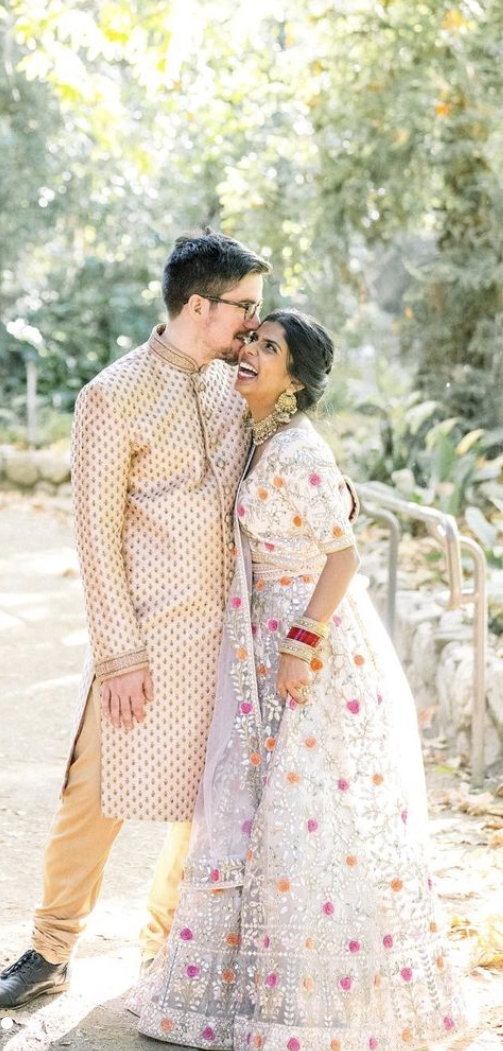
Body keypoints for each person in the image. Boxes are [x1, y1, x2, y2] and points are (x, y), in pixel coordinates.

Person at [135, 311, 469, 1050]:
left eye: (269, 347)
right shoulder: (258, 440)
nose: (250, 352)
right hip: (258, 641)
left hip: (306, 653)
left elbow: (342, 556)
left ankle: (321, 1004)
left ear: (298, 378)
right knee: (256, 808)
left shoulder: (298, 451)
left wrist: (300, 645)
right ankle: (237, 992)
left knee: (308, 818)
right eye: (250, 340)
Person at [0, 231, 272, 1011]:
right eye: (245, 308)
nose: (252, 325)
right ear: (197, 304)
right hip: (144, 638)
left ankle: (169, 949)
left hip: (226, 637)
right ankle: (49, 949)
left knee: (211, 802)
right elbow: (94, 537)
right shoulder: (112, 395)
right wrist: (118, 656)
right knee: (91, 789)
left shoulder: (231, 388)